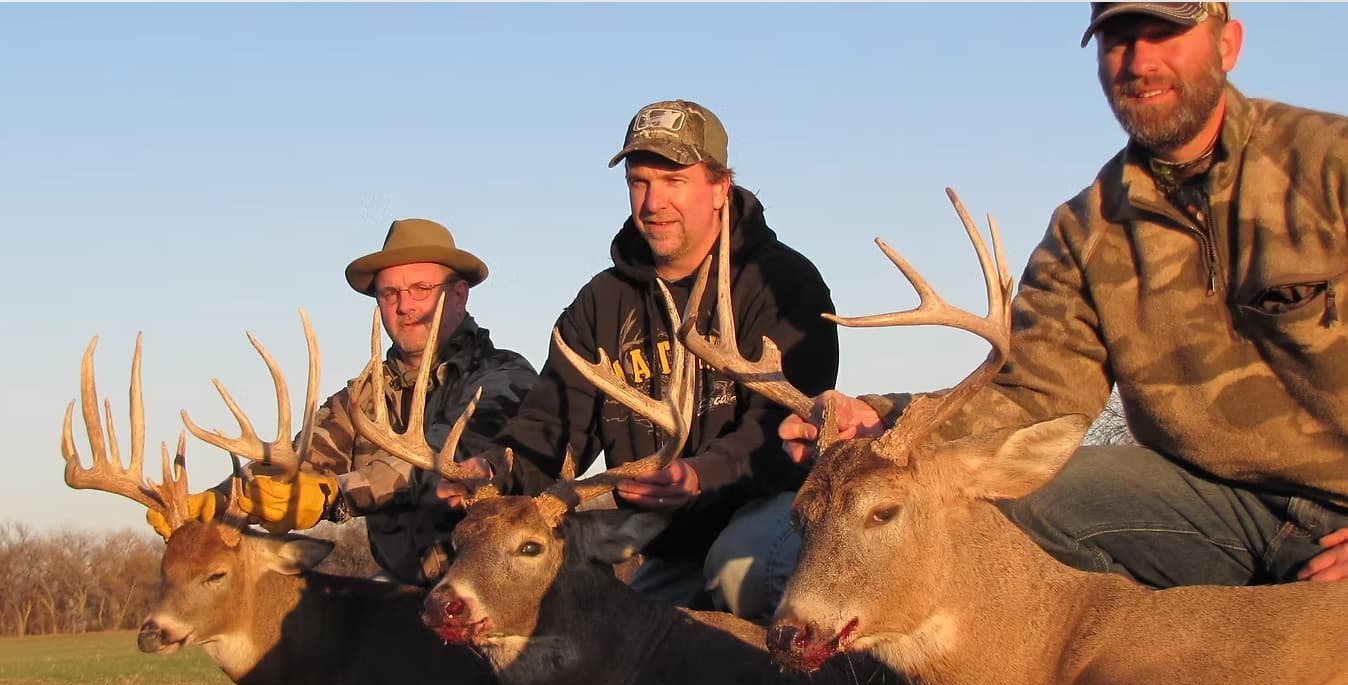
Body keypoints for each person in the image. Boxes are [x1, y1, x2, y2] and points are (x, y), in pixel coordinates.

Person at [781, 2, 1348, 588]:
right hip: (1207, 506)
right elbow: (1037, 397)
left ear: (1228, 44)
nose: (1140, 61)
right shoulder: (1088, 228)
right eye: (1119, 42)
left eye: (1165, 35)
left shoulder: (1329, 164)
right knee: (993, 506)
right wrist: (883, 419)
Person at [449, 99, 839, 621]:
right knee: (616, 643)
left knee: (738, 574)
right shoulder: (601, 304)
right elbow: (551, 427)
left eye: (674, 179)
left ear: (721, 187)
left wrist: (702, 473)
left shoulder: (782, 282)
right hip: (667, 543)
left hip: (773, 522)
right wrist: (493, 468)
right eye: (639, 181)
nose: (654, 201)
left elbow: (786, 429)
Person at [153, 219, 538, 586]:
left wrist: (333, 494)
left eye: (421, 289)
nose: (405, 306)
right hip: (409, 590)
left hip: (499, 590)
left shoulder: (504, 376)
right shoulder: (364, 398)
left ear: (458, 294)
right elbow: (298, 459)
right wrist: (218, 501)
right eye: (390, 294)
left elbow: (439, 458)